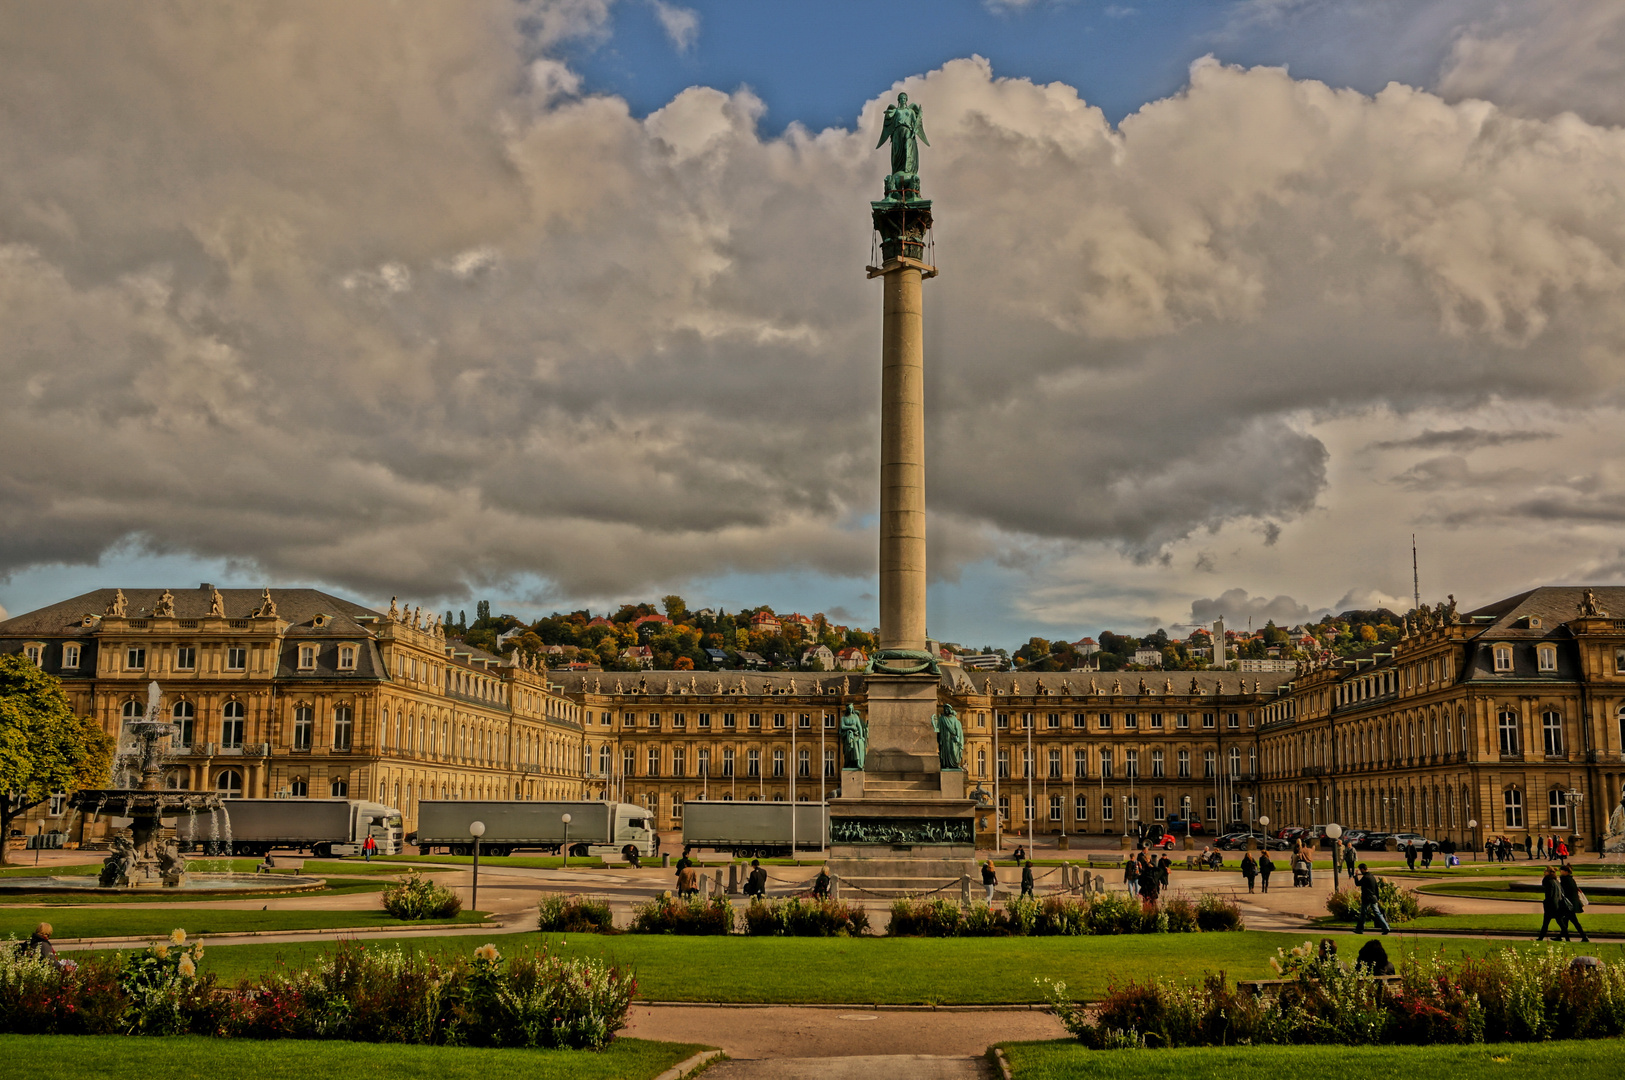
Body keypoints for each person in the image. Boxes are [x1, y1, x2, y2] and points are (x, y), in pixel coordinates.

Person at [1352, 863, 1391, 935]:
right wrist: (1377, 898)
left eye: (1361, 870)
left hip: (1367, 898)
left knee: (1363, 914)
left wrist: (1356, 876)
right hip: (1373, 898)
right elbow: (1376, 888)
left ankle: (1360, 929)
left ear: (1363, 869)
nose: (1361, 871)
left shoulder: (1365, 877)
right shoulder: (1372, 877)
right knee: (1378, 913)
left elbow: (1358, 883)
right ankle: (1386, 927)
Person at [1559, 865, 1590, 942]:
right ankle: (1560, 936)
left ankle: (1584, 937)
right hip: (1572, 904)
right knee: (1566, 920)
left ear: (1566, 872)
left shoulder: (1565, 880)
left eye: (1561, 870)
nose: (1560, 872)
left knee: (1573, 922)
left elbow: (1564, 892)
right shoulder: (1570, 879)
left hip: (1569, 905)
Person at [1536, 866, 1566, 941]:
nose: (1544, 873)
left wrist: (1546, 902)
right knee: (1560, 923)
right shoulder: (1556, 881)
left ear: (1548, 873)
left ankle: (1540, 938)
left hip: (1551, 905)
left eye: (1545, 871)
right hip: (1557, 904)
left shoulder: (1548, 881)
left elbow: (1550, 894)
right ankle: (1567, 938)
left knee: (1546, 923)